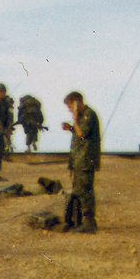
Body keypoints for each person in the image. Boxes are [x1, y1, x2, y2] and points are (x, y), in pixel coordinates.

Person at [61, 92, 101, 233]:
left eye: (70, 106)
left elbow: (82, 133)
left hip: (86, 160)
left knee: (85, 190)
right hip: (79, 160)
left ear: (77, 103)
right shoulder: (82, 116)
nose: (69, 109)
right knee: (79, 190)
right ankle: (81, 221)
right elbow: (79, 134)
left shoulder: (88, 114)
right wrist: (70, 128)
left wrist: (74, 120)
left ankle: (89, 222)